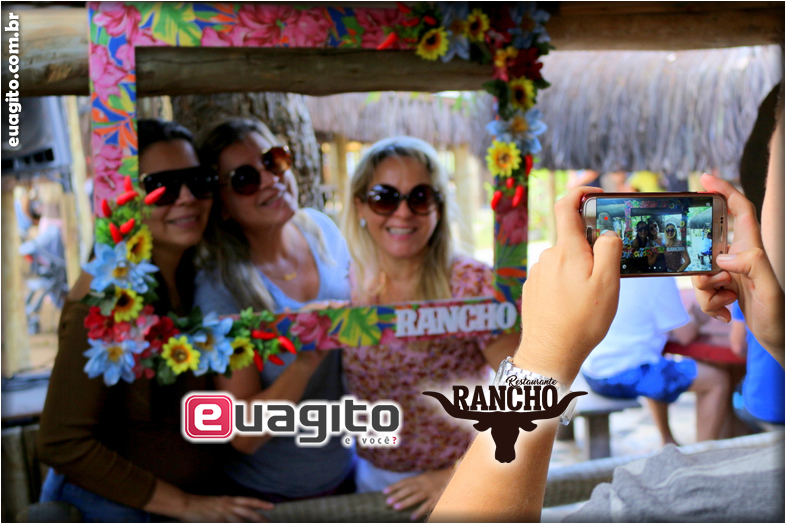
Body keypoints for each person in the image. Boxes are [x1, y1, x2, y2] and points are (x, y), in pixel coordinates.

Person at [430, 174, 784, 521]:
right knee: (707, 378)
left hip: (595, 373)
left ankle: (670, 437)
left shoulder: (656, 498)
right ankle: (693, 444)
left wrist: (541, 356)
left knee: (658, 367)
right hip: (630, 375)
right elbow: (686, 335)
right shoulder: (669, 495)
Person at [37, 119, 272, 522]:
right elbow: (61, 441)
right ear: (128, 200)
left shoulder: (194, 277)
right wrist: (185, 505)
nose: (186, 198)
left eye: (199, 181)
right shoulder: (110, 294)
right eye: (161, 187)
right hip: (110, 509)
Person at [340, 136, 519, 519]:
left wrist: (454, 475)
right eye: (385, 198)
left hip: (465, 481)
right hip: (372, 481)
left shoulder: (472, 284)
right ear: (360, 205)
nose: (403, 212)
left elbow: (528, 397)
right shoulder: (343, 284)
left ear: (438, 206)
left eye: (419, 197)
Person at [193, 118, 356, 502]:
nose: (270, 179)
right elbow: (243, 436)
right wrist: (306, 358)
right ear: (223, 206)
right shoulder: (220, 288)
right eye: (245, 179)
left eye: (274, 160)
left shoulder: (323, 229)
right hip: (272, 497)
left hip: (350, 471)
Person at [581, 275, 730, 445]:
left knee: (658, 365)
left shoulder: (609, 271)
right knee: (717, 380)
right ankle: (702, 452)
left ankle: (667, 441)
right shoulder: (657, 277)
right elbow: (685, 335)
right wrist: (699, 317)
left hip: (592, 371)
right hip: (625, 376)